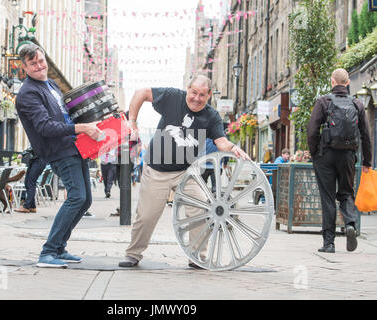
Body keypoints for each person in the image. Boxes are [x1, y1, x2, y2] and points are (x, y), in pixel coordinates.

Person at [118, 73, 249, 269]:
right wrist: (133, 122)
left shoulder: (211, 116)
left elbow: (221, 141)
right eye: (194, 92)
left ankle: (197, 256)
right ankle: (133, 254)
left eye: (202, 95)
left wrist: (233, 148)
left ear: (209, 95)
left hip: (187, 172)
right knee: (146, 216)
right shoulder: (172, 97)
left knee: (203, 209)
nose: (196, 98)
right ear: (188, 90)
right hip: (157, 170)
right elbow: (141, 93)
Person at [15, 44, 103, 268]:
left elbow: (67, 115)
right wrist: (83, 128)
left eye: (41, 60)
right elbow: (45, 127)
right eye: (32, 63)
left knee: (85, 200)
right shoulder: (28, 93)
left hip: (74, 147)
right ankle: (48, 252)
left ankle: (60, 248)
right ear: (24, 68)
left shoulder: (51, 85)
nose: (39, 66)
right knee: (76, 197)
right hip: (59, 151)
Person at [308, 68, 372, 254]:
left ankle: (329, 243)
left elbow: (312, 130)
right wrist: (367, 161)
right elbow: (366, 136)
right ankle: (350, 224)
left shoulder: (323, 101)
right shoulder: (357, 104)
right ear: (348, 83)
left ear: (332, 81)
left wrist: (315, 153)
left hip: (326, 155)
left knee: (328, 198)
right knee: (346, 193)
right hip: (348, 156)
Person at [15, 147, 47, 213]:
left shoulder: (40, 137)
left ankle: (26, 206)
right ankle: (32, 206)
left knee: (31, 182)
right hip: (33, 160)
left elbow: (33, 146)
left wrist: (22, 154)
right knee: (27, 182)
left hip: (39, 160)